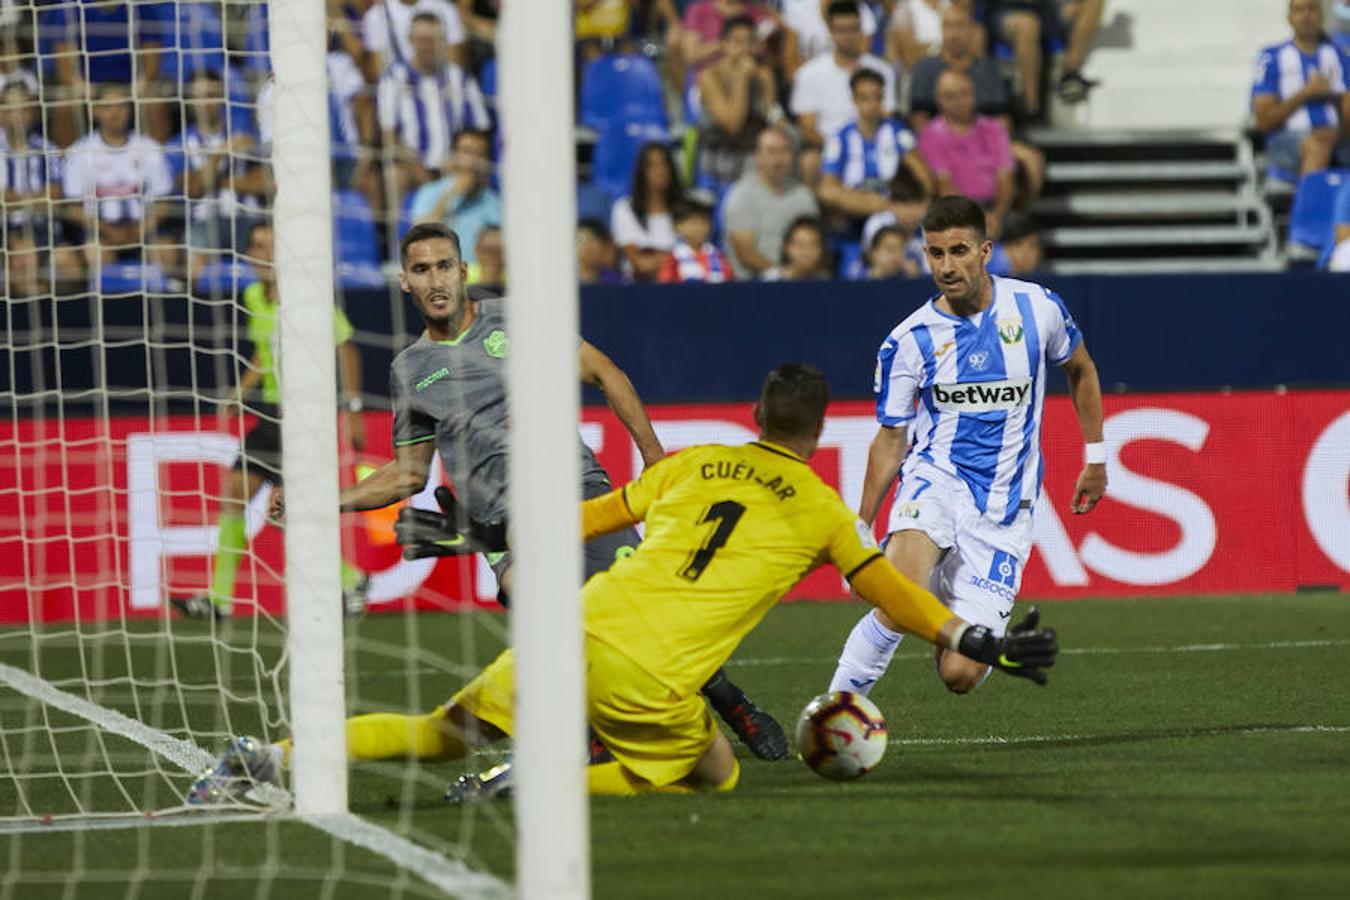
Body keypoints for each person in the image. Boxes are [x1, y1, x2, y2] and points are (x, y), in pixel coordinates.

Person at [189, 363, 1059, 803]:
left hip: (570, 628)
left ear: (755, 417)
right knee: (716, 773)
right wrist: (972, 636)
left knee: (438, 732)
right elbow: (891, 595)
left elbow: (572, 520)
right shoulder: (825, 512)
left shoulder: (691, 465)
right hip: (650, 677)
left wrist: (469, 531)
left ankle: (267, 759)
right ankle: (536, 782)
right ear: (819, 427)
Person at [264, 222, 788, 759]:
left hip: (578, 494)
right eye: (422, 270)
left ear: (464, 271)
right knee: (550, 627)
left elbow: (606, 373)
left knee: (650, 616)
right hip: (502, 527)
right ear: (405, 283)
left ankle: (730, 701)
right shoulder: (410, 369)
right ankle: (594, 735)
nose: (435, 279)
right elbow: (407, 474)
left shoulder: (516, 318)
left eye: (444, 265)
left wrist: (654, 459)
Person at [827, 195, 1103, 699]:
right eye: (936, 254)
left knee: (959, 675)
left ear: (985, 251)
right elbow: (891, 440)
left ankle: (950, 612)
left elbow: (1081, 369)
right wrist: (860, 528)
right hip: (936, 481)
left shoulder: (1038, 308)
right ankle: (835, 712)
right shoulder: (908, 340)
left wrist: (1097, 457)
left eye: (959, 251)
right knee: (895, 601)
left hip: (1004, 508)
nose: (947, 266)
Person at [170, 223, 368, 620]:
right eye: (256, 246)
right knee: (241, 498)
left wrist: (354, 408)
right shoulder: (252, 297)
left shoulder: (306, 298)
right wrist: (242, 391)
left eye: (270, 246)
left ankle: (346, 581)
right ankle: (222, 599)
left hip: (303, 416)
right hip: (271, 414)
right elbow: (264, 352)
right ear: (247, 256)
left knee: (276, 508)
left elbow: (347, 348)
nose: (263, 253)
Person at [908, 4, 1044, 208]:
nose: (954, 33)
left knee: (1032, 159)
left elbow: (1002, 118)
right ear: (942, 30)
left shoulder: (988, 69)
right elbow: (919, 120)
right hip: (940, 142)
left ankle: (1013, 218)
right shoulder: (925, 69)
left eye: (960, 26)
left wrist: (989, 148)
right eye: (949, 26)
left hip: (985, 140)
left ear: (972, 30)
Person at [165, 69, 268, 286]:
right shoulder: (178, 143)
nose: (206, 103)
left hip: (248, 220)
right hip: (205, 222)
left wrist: (216, 181)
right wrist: (221, 153)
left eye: (212, 95)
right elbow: (192, 189)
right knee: (195, 253)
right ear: (189, 100)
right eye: (200, 96)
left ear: (222, 98)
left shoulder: (246, 135)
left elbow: (264, 183)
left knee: (268, 244)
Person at [377, 12, 489, 207]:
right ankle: (399, 236)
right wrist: (416, 167)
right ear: (411, 40)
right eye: (422, 40)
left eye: (433, 40)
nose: (428, 46)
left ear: (443, 42)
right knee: (393, 176)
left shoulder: (460, 78)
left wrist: (460, 160)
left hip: (456, 163)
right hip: (411, 164)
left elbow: (480, 128)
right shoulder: (394, 78)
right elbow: (388, 134)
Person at [61, 83, 173, 270]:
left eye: (121, 106)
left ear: (130, 110)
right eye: (107, 107)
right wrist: (108, 230)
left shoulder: (150, 148)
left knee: (166, 252)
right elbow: (73, 208)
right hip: (100, 233)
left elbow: (164, 204)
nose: (115, 114)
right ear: (95, 111)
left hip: (144, 230)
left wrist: (138, 230)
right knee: (95, 253)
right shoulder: (80, 152)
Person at [817, 68, 932, 232]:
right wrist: (877, 204)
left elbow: (922, 173)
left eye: (876, 97)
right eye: (864, 98)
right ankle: (888, 210)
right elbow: (828, 189)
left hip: (897, 208)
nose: (871, 104)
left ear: (882, 98)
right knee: (827, 192)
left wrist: (923, 204)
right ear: (854, 100)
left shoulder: (898, 131)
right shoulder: (839, 138)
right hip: (857, 210)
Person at [1251, 0, 1350, 178]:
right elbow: (1263, 122)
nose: (1306, 16)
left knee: (1323, 141)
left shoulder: (1339, 55)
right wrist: (1305, 93)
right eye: (1299, 10)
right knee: (1317, 146)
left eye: (1312, 9)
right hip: (1287, 140)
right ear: (1289, 18)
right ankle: (1311, 206)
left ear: (1321, 15)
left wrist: (1337, 130)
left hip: (1337, 137)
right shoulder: (1271, 57)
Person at [789, 1, 896, 155]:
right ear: (830, 32)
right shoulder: (808, 73)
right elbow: (807, 128)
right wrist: (840, 150)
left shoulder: (883, 71)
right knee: (810, 160)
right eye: (841, 30)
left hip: (872, 147)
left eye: (853, 29)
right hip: (828, 150)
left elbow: (887, 119)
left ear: (861, 31)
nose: (848, 36)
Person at [917, 70, 1015, 237]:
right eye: (950, 97)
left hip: (995, 209)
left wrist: (996, 215)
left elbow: (1006, 179)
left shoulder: (994, 129)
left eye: (964, 94)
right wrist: (977, 220)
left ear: (973, 95)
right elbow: (945, 185)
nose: (959, 102)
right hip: (953, 211)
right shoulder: (930, 134)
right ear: (939, 101)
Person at [694, 15, 780, 192]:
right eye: (737, 42)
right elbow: (733, 125)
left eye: (749, 42)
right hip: (719, 153)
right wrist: (741, 78)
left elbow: (771, 118)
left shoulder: (763, 75)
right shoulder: (709, 77)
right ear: (724, 44)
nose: (744, 49)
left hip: (753, 152)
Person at [722, 126, 820, 279]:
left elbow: (814, 244)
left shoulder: (804, 196)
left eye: (784, 151)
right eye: (771, 151)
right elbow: (745, 253)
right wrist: (781, 274)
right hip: (754, 286)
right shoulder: (742, 195)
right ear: (757, 156)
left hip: (801, 282)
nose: (778, 159)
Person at [610, 142, 683, 282]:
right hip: (640, 289)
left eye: (664, 164)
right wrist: (678, 256)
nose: (660, 171)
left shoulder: (686, 208)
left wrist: (654, 256)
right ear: (642, 171)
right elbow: (640, 264)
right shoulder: (625, 209)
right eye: (652, 165)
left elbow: (699, 258)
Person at [658, 196, 734, 283]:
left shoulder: (719, 256)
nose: (699, 227)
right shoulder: (673, 259)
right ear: (678, 226)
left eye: (704, 222)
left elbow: (728, 283)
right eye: (693, 223)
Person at [761, 215, 833, 280]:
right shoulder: (769, 280)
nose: (806, 251)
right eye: (800, 245)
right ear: (786, 247)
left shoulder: (826, 280)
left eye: (813, 244)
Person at [577, 218, 624, 285]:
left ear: (603, 245)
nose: (586, 247)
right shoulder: (563, 279)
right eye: (580, 240)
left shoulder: (613, 279)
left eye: (591, 239)